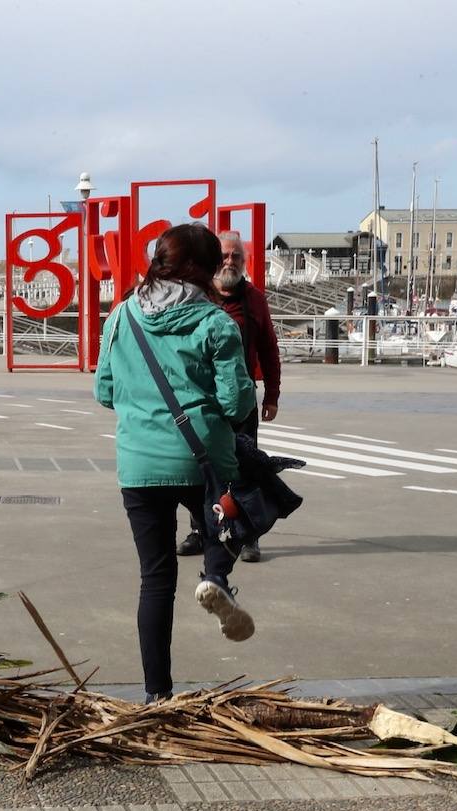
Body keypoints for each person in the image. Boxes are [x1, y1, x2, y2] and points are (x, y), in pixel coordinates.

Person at [94, 223, 257, 704]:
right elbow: (237, 402)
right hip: (203, 459)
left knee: (156, 580)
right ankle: (216, 578)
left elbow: (104, 390)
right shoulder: (216, 322)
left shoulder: (122, 316)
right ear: (204, 270)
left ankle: (156, 694)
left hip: (140, 464)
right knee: (233, 522)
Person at [178, 230, 281, 563]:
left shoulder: (254, 299)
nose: (230, 261)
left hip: (242, 401)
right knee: (201, 469)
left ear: (244, 261)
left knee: (244, 469)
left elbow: (269, 349)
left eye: (236, 255)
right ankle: (200, 530)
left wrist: (272, 396)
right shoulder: (198, 298)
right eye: (224, 255)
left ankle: (249, 536)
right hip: (203, 401)